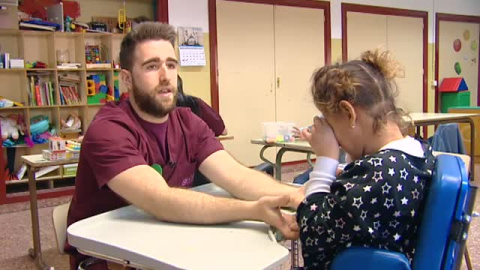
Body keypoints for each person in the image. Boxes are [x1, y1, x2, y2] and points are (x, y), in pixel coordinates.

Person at [66, 22, 303, 270]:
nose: (166, 75)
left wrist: (292, 195)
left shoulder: (188, 121)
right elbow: (162, 200)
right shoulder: (108, 129)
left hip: (166, 236)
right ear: (127, 78)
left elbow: (237, 176)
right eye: (152, 66)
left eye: (171, 64)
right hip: (108, 254)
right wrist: (253, 210)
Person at [295, 49, 435, 269]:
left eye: (332, 127)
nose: (336, 141)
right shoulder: (417, 153)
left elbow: (313, 233)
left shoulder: (376, 175)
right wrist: (349, 169)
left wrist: (325, 160)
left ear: (349, 113)